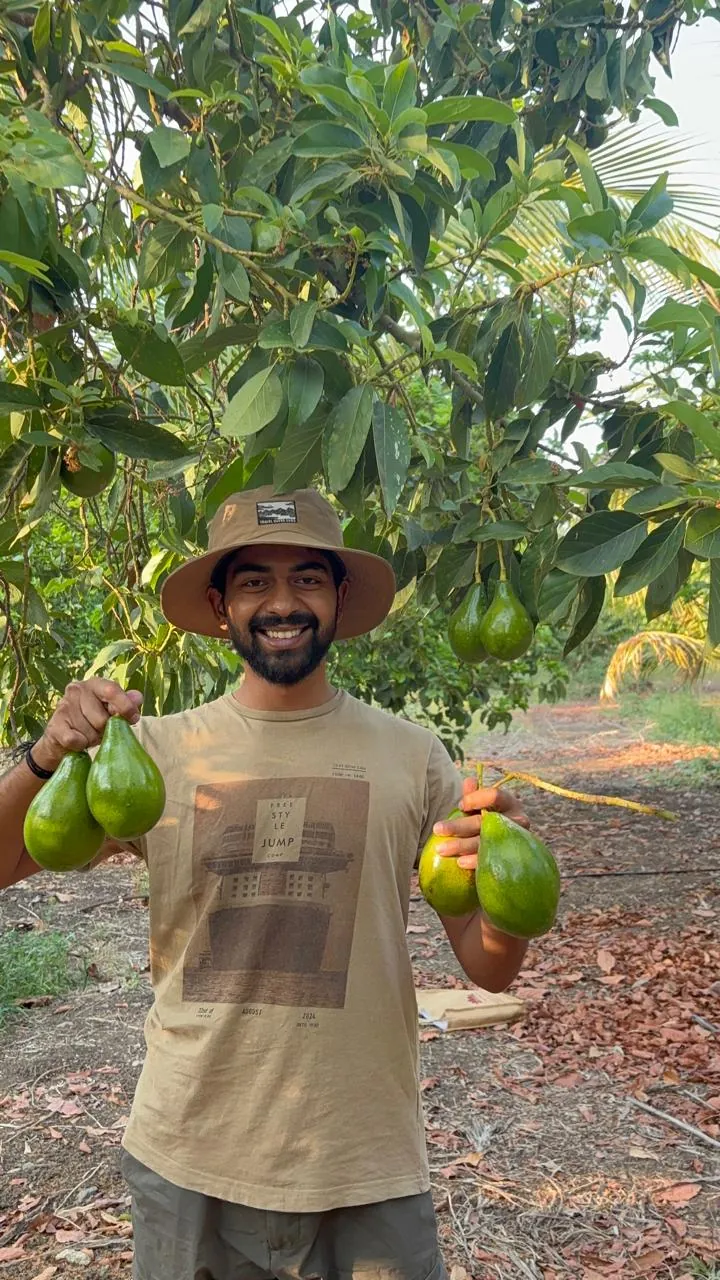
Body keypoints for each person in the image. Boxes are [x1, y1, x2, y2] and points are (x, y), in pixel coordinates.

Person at [0, 486, 535, 1280]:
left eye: (307, 579)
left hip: (367, 1167)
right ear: (220, 606)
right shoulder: (151, 756)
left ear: (340, 598)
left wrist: (504, 873)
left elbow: (488, 964)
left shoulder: (413, 757)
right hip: (191, 1162)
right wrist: (46, 756)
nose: (282, 603)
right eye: (254, 581)